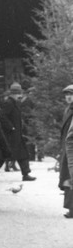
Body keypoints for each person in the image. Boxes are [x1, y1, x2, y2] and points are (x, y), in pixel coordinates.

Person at [0, 82, 36, 181]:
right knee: (2, 156)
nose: (19, 95)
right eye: (18, 93)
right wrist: (11, 127)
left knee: (23, 154)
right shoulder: (9, 103)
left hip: (16, 134)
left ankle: (26, 173)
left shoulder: (14, 103)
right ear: (14, 94)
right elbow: (2, 116)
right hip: (11, 135)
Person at [59, 85, 73, 218]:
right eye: (67, 94)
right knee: (68, 179)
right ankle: (71, 209)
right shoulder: (67, 110)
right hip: (67, 149)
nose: (68, 97)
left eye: (71, 94)